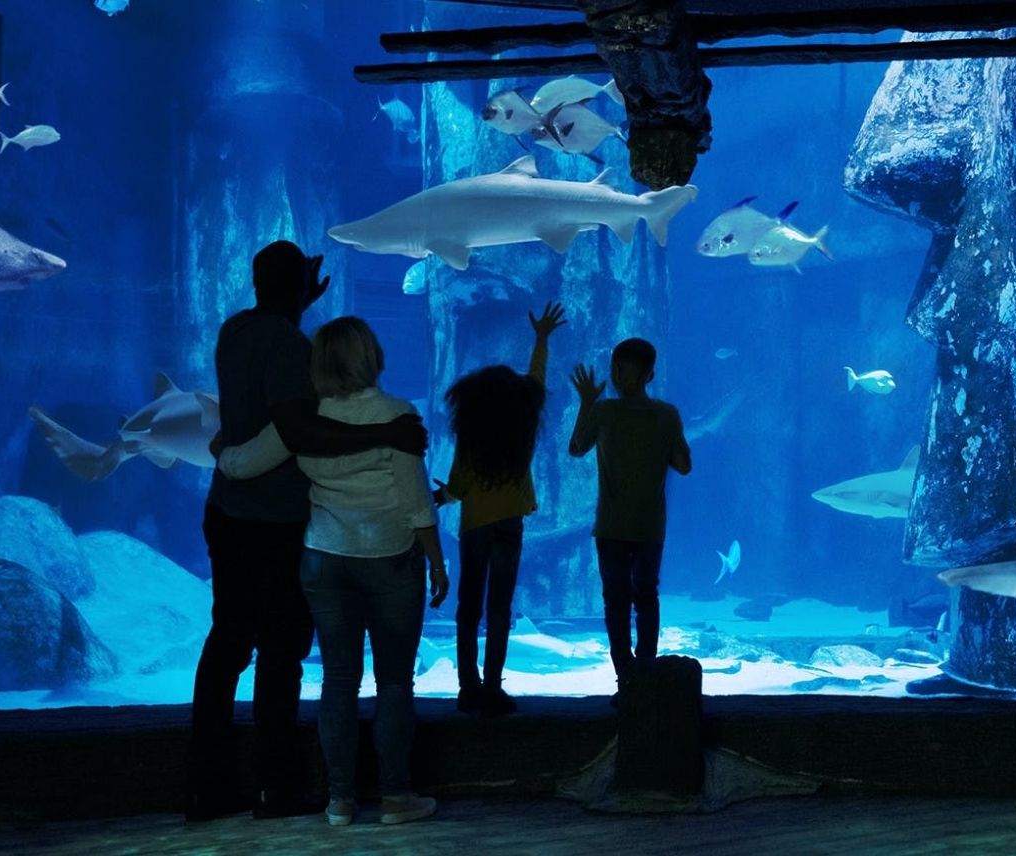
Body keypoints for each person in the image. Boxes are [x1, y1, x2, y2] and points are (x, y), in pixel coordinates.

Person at [188, 241, 429, 823]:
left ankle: (206, 788)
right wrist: (385, 435)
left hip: (227, 512)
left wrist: (297, 298)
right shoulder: (292, 347)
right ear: (302, 287)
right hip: (276, 522)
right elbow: (297, 430)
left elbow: (263, 419)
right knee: (280, 651)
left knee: (226, 643)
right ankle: (274, 788)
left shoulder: (234, 331)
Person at [434, 302, 567, 717]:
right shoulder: (521, 433)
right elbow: (536, 383)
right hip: (510, 525)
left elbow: (457, 487)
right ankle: (493, 686)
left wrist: (440, 497)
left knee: (468, 608)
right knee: (499, 609)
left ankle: (467, 688)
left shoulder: (471, 439)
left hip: (475, 527)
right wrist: (541, 339)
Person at [567, 337, 691, 703]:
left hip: (612, 527)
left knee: (616, 601)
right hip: (649, 527)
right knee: (646, 596)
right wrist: (668, 440)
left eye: (620, 370)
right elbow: (684, 465)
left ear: (616, 373)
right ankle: (644, 675)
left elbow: (576, 448)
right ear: (652, 375)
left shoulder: (604, 411)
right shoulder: (666, 415)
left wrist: (586, 402)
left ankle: (627, 678)